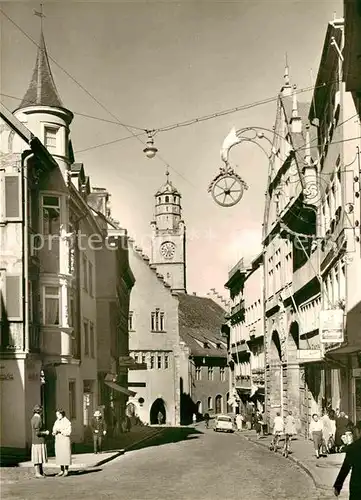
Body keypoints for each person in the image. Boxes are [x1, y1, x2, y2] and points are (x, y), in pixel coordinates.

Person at [333, 420, 361, 500]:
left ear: (359, 431)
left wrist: (338, 485)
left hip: (357, 485)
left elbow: (345, 468)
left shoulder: (353, 448)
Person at [31, 405, 49, 478]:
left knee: (39, 457)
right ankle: (37, 473)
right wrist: (45, 432)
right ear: (40, 411)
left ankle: (41, 472)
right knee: (38, 457)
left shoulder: (33, 418)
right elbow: (37, 432)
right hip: (38, 441)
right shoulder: (38, 419)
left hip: (36, 441)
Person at [52, 409, 72, 477]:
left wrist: (61, 431)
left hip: (64, 440)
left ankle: (66, 470)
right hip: (58, 440)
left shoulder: (67, 422)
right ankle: (61, 470)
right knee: (60, 454)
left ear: (61, 414)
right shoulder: (57, 421)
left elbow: (68, 432)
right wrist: (54, 432)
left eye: (58, 414)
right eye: (56, 415)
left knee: (65, 454)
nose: (57, 416)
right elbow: (54, 428)